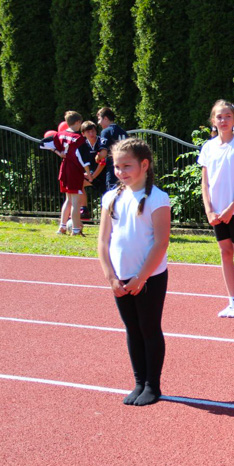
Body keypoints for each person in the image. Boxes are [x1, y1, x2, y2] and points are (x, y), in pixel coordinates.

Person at [97, 138, 171, 406]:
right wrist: (111, 277)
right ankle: (139, 381)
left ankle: (153, 385)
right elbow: (103, 240)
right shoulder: (111, 198)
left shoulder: (158, 198)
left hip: (149, 278)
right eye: (116, 166)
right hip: (120, 279)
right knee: (132, 329)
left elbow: (161, 242)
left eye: (126, 166)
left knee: (149, 328)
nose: (121, 171)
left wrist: (141, 277)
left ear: (144, 164)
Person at [199, 100, 234, 318]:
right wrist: (209, 211)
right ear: (213, 121)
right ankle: (231, 300)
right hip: (216, 211)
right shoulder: (208, 148)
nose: (223, 120)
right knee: (225, 252)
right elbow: (205, 183)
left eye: (227, 116)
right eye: (219, 117)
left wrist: (231, 209)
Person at [51, 111, 91, 236]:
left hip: (64, 168)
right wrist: (89, 173)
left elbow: (46, 144)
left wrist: (59, 153)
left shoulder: (60, 134)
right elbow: (82, 158)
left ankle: (62, 227)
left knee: (68, 199)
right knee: (76, 202)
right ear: (78, 122)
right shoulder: (78, 139)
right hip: (74, 170)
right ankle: (75, 229)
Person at [96, 107, 128, 192]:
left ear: (105, 118)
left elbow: (103, 153)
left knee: (113, 195)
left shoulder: (106, 131)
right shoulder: (123, 131)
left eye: (99, 119)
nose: (98, 123)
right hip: (127, 169)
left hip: (114, 169)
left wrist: (97, 157)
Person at [80, 120, 105, 221]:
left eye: (93, 131)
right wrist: (87, 174)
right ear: (83, 134)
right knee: (77, 183)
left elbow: (102, 162)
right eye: (88, 132)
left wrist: (93, 176)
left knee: (106, 198)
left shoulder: (101, 142)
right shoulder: (83, 145)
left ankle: (105, 221)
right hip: (91, 175)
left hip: (102, 175)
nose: (91, 134)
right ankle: (84, 210)